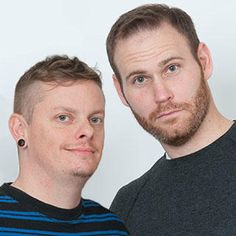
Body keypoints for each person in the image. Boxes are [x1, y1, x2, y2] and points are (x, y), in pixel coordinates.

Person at [106, 3, 236, 235]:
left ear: (203, 62)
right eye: (140, 79)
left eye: (172, 68)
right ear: (120, 91)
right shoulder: (127, 207)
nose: (161, 95)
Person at [0, 55, 129, 235]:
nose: (88, 130)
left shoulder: (112, 228)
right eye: (63, 117)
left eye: (95, 119)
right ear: (20, 129)